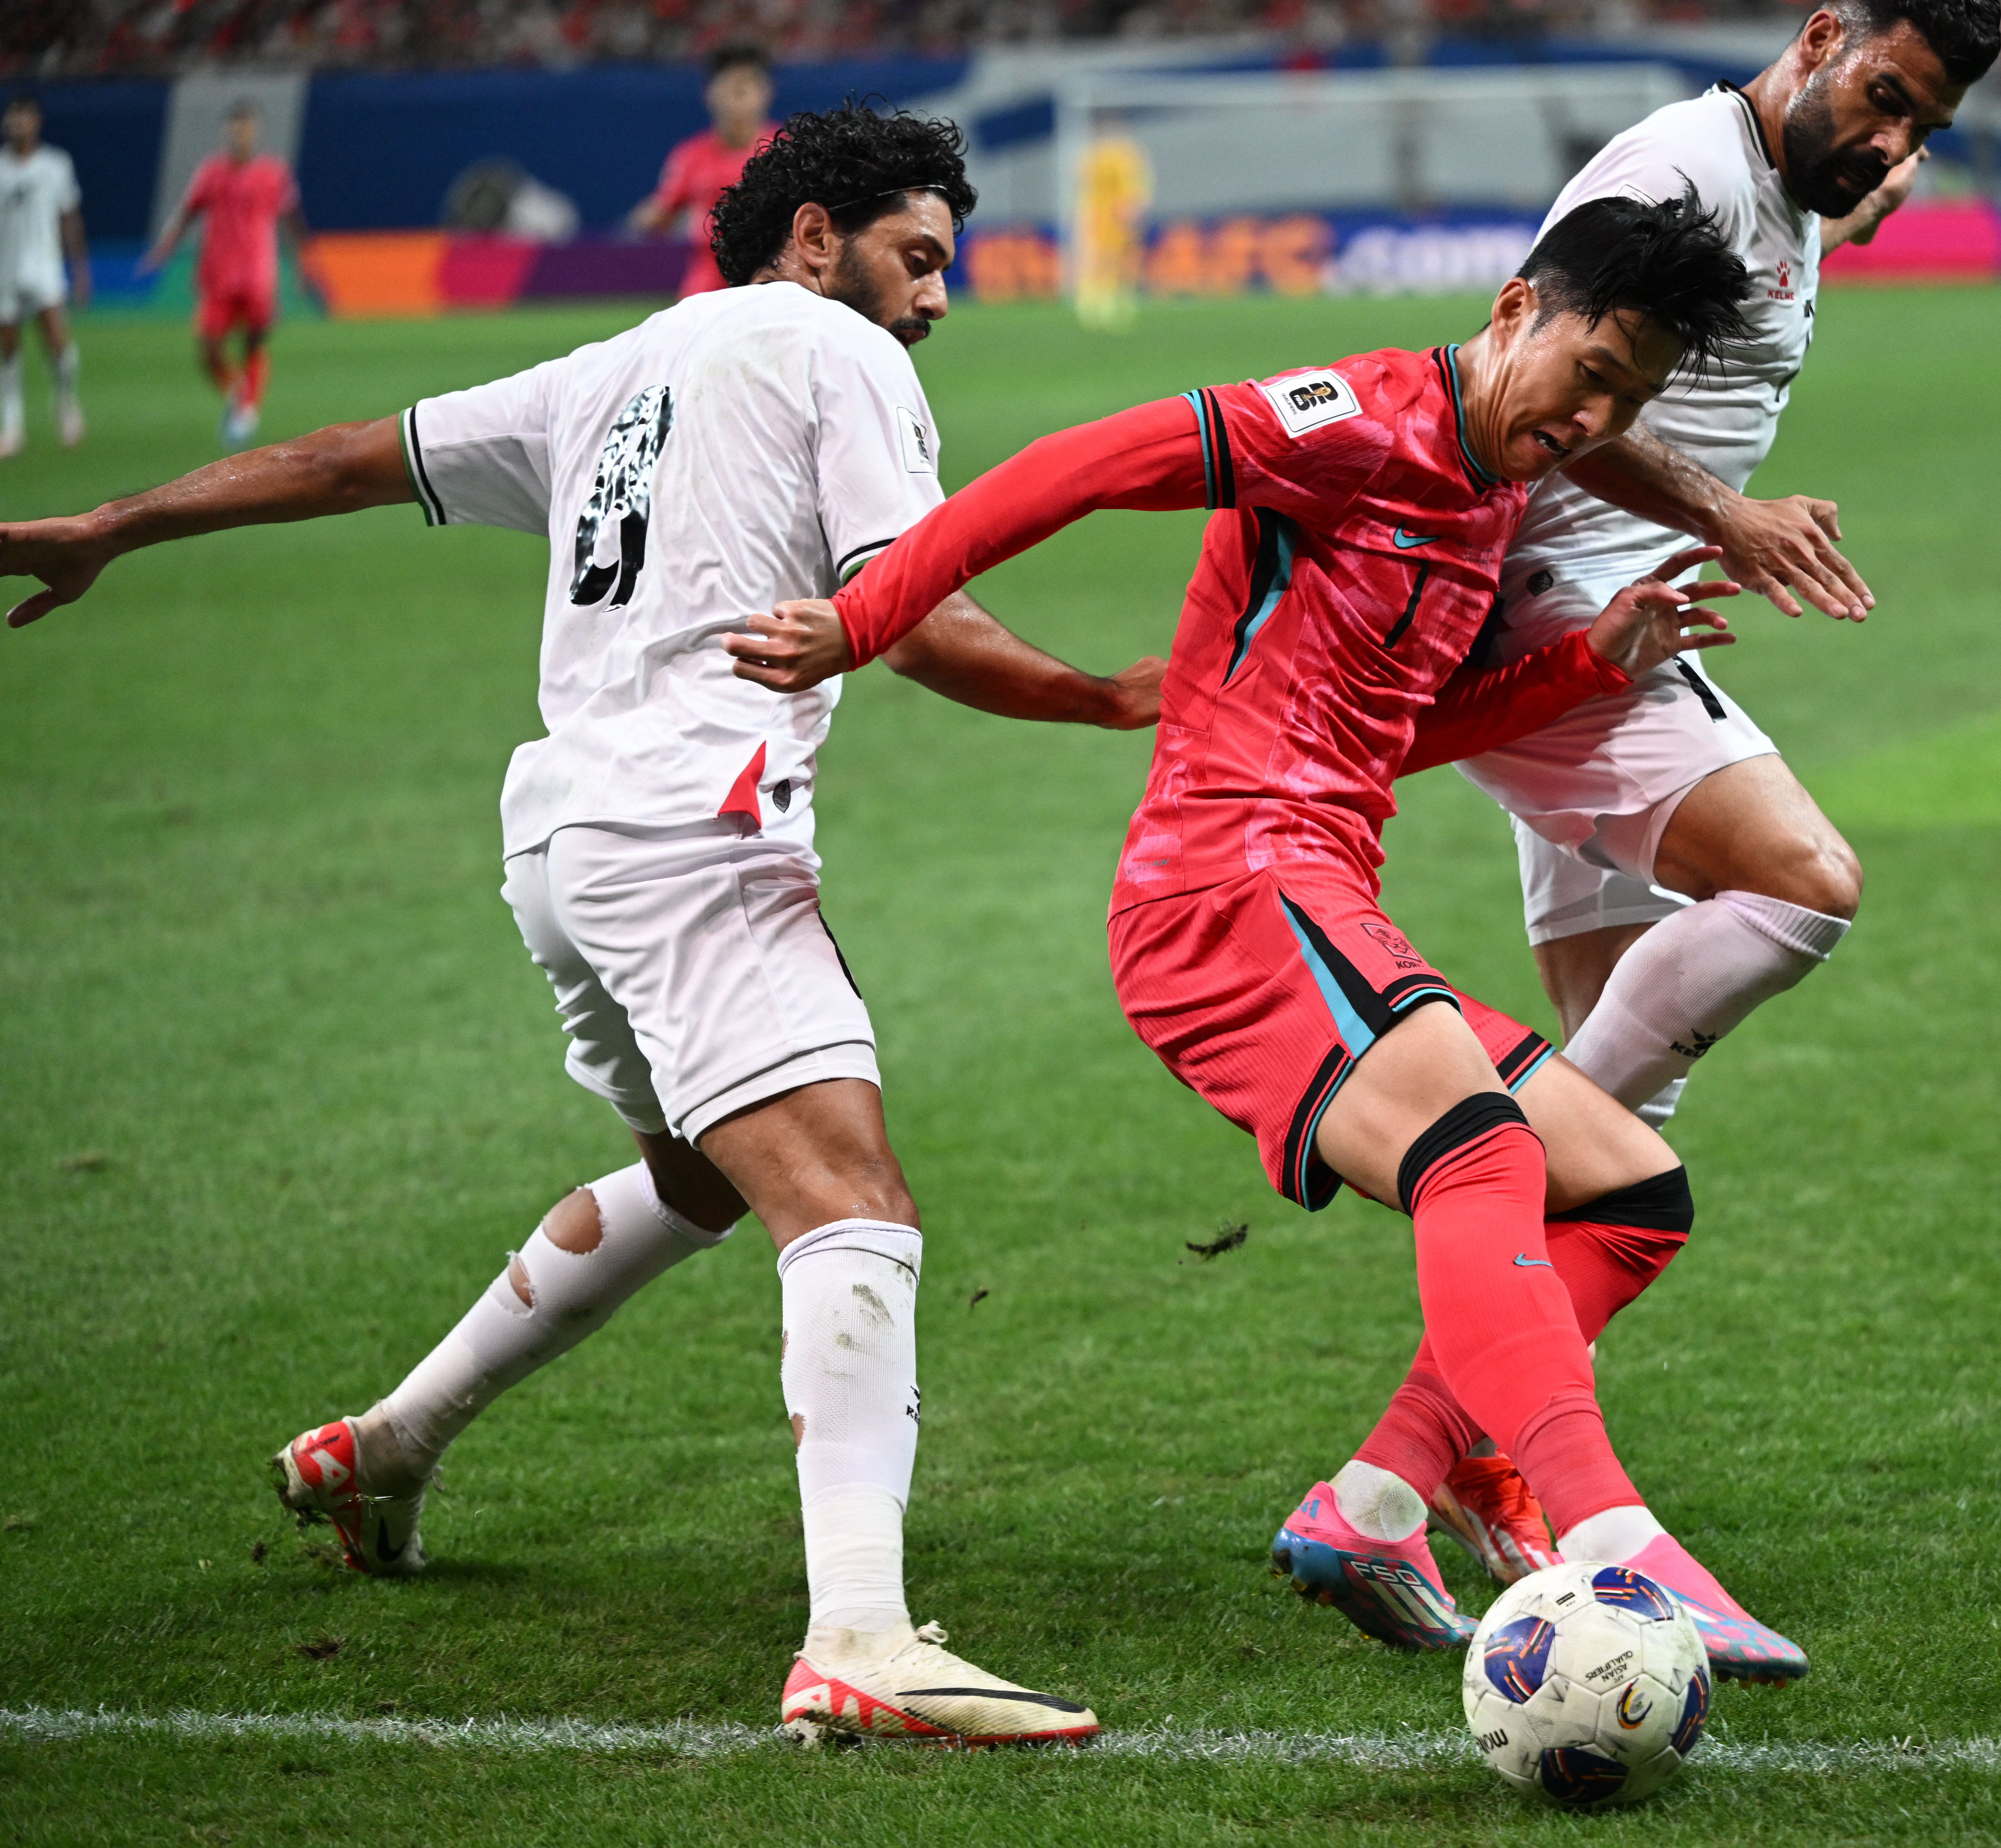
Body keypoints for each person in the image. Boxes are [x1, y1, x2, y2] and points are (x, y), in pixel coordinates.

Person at [0, 104, 1158, 1748]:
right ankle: (859, 1636)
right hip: (695, 835)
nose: (936, 299)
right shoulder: (836, 357)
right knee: (850, 1201)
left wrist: (122, 521)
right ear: (816, 239)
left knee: (702, 1171)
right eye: (919, 256)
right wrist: (1114, 696)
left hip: (559, 843)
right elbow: (910, 617)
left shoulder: (603, 368)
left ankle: (389, 1442)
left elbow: (345, 458)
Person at [728, 193, 1812, 1686]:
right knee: (1482, 1148)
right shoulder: (1347, 420)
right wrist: (866, 615)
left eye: (1631, 401)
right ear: (1515, 310)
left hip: (1315, 880)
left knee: (1626, 1189)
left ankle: (1376, 1500)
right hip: (1224, 884)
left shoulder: (1490, 487)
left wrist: (1583, 658)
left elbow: (1387, 736)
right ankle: (1612, 1533)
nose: (1597, 416)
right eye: (1594, 370)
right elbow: (1075, 466)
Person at [1424, 0, 2001, 1587]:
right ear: (1821, 33)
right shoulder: (1678, 178)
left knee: (1626, 1122)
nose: (1889, 142)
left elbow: (1816, 209)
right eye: (1880, 96)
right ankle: (1444, 1391)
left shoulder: (1792, 178)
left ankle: (1505, 1453)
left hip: (1606, 624)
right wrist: (1727, 514)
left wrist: (1865, 190)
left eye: (1922, 128)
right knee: (1801, 882)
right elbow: (1533, 388)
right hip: (1562, 624)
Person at [141, 97, 306, 450]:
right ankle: (238, 393)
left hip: (259, 276)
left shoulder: (273, 174)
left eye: (247, 127)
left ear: (256, 131)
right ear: (227, 132)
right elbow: (187, 214)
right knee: (208, 349)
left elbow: (293, 221)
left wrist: (304, 265)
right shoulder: (211, 173)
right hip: (218, 275)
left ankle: (246, 410)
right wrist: (165, 249)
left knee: (253, 345)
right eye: (235, 127)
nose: (241, 134)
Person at [630, 44, 779, 299]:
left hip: (770, 278)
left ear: (766, 93)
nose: (739, 96)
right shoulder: (690, 156)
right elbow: (658, 216)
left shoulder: (783, 150)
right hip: (707, 282)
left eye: (747, 86)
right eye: (731, 87)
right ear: (710, 94)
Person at [0, 95, 87, 457]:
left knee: (57, 342)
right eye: (14, 116)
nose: (20, 122)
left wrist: (80, 267)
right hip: (5, 270)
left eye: (26, 116)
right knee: (8, 349)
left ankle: (66, 405)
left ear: (37, 121)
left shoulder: (56, 165)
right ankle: (12, 423)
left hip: (44, 267)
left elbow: (69, 217)